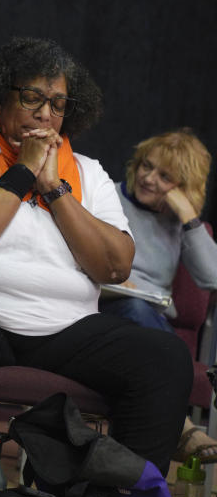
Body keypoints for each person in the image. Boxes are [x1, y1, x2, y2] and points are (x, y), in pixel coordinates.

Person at [0, 37, 193, 497]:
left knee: (163, 357)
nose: (45, 114)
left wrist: (54, 189)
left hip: (64, 328)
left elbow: (115, 264)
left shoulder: (87, 173)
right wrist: (20, 174)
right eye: (32, 98)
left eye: (58, 104)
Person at [100, 128, 217, 462]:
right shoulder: (106, 196)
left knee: (144, 318)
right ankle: (180, 427)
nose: (148, 179)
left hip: (147, 322)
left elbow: (213, 278)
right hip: (101, 309)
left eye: (165, 176)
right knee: (136, 308)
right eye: (145, 166)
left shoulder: (178, 224)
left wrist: (190, 218)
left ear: (183, 187)